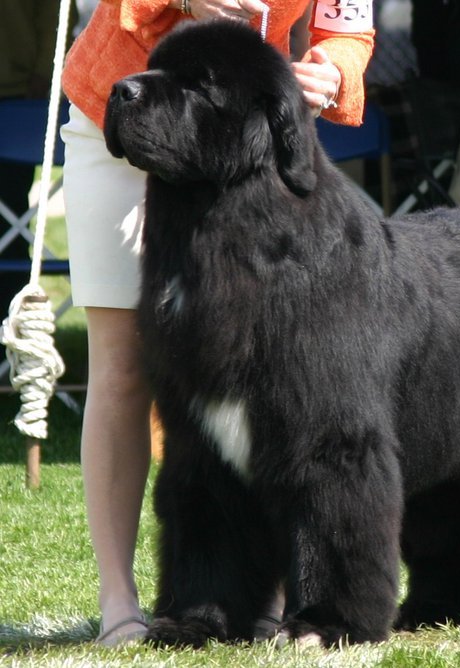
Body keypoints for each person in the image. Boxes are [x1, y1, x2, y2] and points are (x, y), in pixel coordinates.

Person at [60, 0, 374, 647]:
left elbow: (348, 29)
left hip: (240, 144)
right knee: (121, 365)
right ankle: (119, 599)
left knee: (279, 375)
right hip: (118, 114)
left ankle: (274, 594)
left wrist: (330, 73)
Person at [0, 1, 75, 346]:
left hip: (16, 99)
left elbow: (56, 11)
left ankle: (10, 344)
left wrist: (47, 74)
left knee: (9, 234)